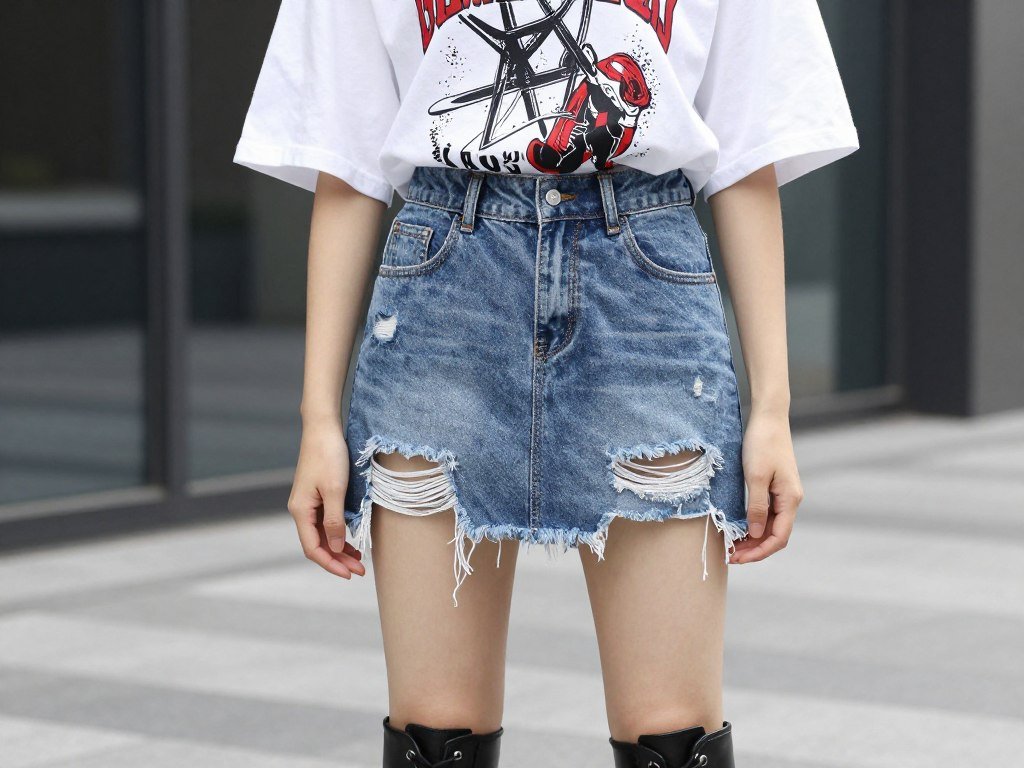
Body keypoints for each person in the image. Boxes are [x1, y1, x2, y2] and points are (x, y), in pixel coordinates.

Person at [234, 1, 858, 765]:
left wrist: (772, 409)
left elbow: (749, 158)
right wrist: (318, 421)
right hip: (444, 292)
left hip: (645, 291)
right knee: (436, 732)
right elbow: (348, 166)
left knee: (674, 734)